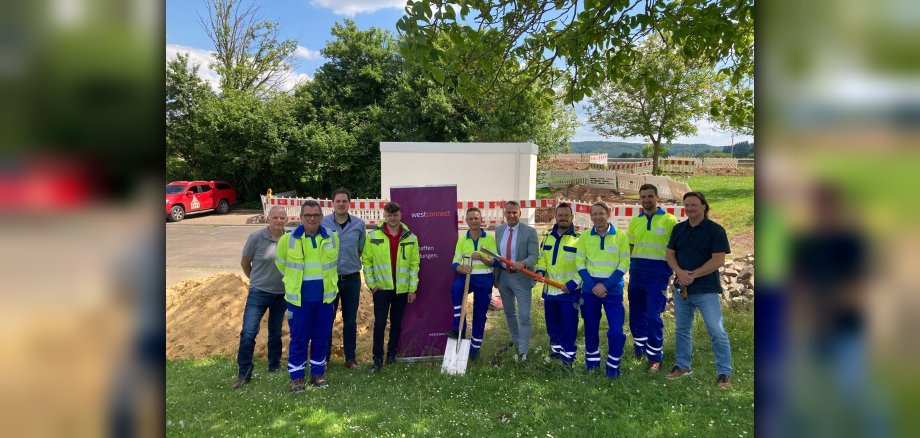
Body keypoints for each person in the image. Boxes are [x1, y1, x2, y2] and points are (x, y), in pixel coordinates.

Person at [665, 191, 733, 389]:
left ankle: (724, 372)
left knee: (716, 330)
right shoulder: (679, 229)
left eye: (694, 204)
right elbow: (670, 254)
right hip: (682, 290)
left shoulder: (716, 231)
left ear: (704, 206)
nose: (690, 208)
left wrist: (692, 275)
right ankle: (683, 366)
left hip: (706, 290)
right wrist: (680, 273)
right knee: (682, 330)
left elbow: (718, 260)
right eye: (686, 205)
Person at [275, 201, 340, 392]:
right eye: (308, 215)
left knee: (321, 337)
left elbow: (333, 264)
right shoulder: (287, 240)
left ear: (322, 217)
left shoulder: (333, 237)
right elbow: (281, 265)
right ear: (301, 217)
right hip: (299, 300)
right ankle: (297, 378)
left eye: (316, 215)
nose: (312, 218)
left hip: (325, 299)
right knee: (299, 339)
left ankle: (318, 374)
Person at [232, 205, 288, 389]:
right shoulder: (256, 238)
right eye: (275, 217)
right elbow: (245, 262)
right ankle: (244, 373)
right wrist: (254, 280)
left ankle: (274, 365)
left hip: (282, 294)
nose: (279, 221)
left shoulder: (290, 239)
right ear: (268, 219)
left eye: (282, 218)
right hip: (259, 292)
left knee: (276, 332)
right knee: (248, 332)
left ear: (286, 220)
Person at [362, 202, 420, 373]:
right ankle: (377, 360)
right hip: (381, 289)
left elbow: (414, 265)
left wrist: (412, 288)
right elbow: (367, 262)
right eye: (389, 215)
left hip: (401, 289)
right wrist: (372, 285)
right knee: (379, 324)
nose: (392, 218)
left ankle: (392, 356)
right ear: (384, 216)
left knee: (396, 324)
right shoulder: (373, 236)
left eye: (395, 215)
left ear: (400, 215)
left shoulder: (411, 237)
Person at [626, 184, 679, 372]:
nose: (646, 199)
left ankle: (655, 356)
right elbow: (630, 248)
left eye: (650, 196)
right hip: (637, 273)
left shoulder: (670, 220)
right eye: (643, 196)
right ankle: (639, 347)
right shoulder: (635, 221)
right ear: (639, 199)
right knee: (636, 314)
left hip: (658, 274)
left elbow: (676, 248)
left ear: (657, 197)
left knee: (653, 316)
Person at [576, 202, 630, 378]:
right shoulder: (584, 237)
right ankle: (592, 365)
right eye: (594, 214)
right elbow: (580, 264)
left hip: (612, 290)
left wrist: (605, 286)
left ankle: (613, 367)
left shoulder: (621, 236)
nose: (598, 217)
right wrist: (594, 286)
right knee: (591, 328)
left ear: (608, 214)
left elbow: (624, 264)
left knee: (616, 330)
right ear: (590, 217)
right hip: (590, 290)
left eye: (601, 213)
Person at [322, 188, 366, 370]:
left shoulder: (359, 224)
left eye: (344, 201)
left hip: (351, 279)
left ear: (349, 203)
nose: (341, 204)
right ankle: (324, 358)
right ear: (332, 203)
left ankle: (350, 358)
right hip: (329, 279)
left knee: (350, 320)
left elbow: (361, 249)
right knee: (326, 319)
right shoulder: (323, 223)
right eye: (338, 201)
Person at [534, 202, 581, 367]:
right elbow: (543, 258)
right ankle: (555, 354)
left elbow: (583, 265)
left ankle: (568, 360)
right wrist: (540, 271)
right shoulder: (547, 236)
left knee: (568, 326)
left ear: (572, 217)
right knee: (552, 325)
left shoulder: (579, 239)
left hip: (569, 292)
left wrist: (573, 283)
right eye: (560, 215)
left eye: (566, 215)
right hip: (550, 291)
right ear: (556, 217)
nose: (563, 218)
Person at [492, 201, 539, 363]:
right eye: (509, 212)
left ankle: (523, 353)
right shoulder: (499, 230)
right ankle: (516, 342)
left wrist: (524, 262)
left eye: (515, 213)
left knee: (524, 316)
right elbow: (497, 254)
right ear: (505, 213)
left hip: (521, 278)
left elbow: (534, 256)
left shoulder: (530, 232)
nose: (512, 215)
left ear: (520, 214)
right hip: (504, 276)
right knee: (510, 312)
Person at [449, 208, 497, 361]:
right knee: (456, 288)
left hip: (484, 279)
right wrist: (460, 268)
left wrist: (482, 258)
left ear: (481, 219)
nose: (473, 221)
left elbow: (495, 262)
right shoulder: (463, 240)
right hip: (467, 277)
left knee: (479, 314)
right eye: (471, 219)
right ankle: (458, 328)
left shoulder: (489, 238)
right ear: (466, 221)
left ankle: (475, 350)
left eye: (476, 218)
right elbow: (455, 262)